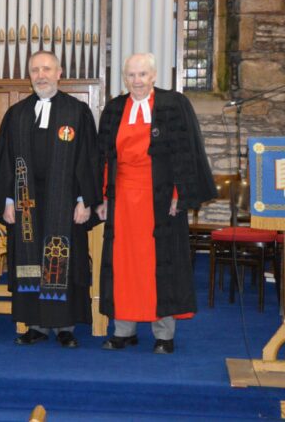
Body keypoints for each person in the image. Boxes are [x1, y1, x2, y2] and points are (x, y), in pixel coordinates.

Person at [96, 52, 216, 354]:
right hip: (122, 199)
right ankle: (123, 329)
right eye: (131, 76)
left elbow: (186, 152)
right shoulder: (113, 109)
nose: (137, 81)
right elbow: (104, 158)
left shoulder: (173, 105)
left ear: (154, 76)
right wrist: (103, 196)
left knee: (160, 264)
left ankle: (163, 334)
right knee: (124, 264)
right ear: (125, 78)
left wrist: (180, 194)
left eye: (143, 75)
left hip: (161, 199)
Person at [0, 51, 101, 348]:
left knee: (62, 258)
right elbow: (3, 161)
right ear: (29, 75)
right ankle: (35, 325)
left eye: (47, 69)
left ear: (59, 72)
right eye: (35, 70)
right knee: (29, 260)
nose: (41, 75)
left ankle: (65, 326)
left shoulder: (77, 111)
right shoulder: (17, 114)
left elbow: (87, 158)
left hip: (64, 202)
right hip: (25, 201)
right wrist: (7, 202)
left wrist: (83, 199)